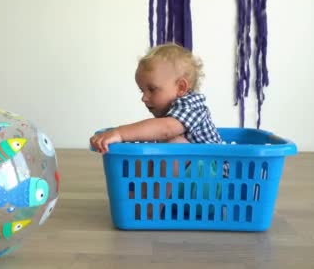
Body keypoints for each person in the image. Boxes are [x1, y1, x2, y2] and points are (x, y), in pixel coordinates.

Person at [90, 43, 222, 218]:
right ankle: (140, 196)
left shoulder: (191, 104)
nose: (144, 97)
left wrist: (120, 133)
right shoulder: (170, 109)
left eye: (152, 89)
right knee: (143, 153)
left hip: (212, 186)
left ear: (181, 87)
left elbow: (166, 129)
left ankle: (149, 207)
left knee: (174, 146)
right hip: (185, 188)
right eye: (142, 90)